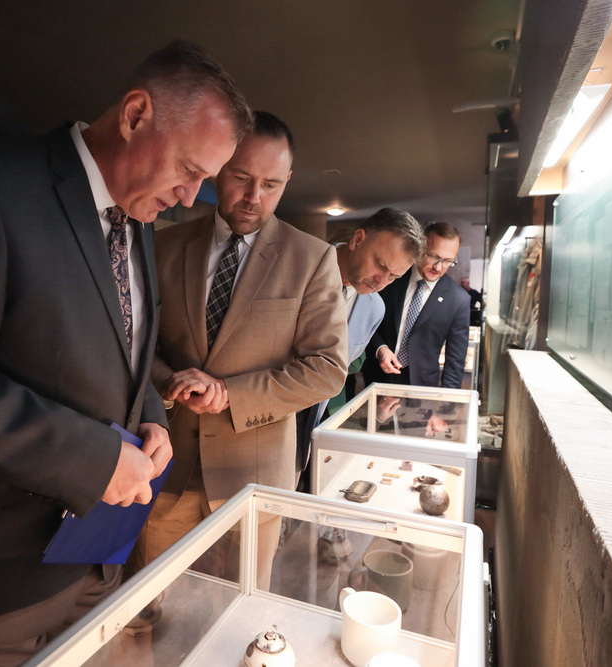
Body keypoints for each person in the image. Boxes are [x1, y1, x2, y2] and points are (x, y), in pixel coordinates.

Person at [0, 40, 252, 665]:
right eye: (190, 169)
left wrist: (150, 410)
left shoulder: (138, 221)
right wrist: (92, 458)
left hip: (93, 563)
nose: (190, 197)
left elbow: (124, 345)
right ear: (135, 114)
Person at [133, 111, 348, 588]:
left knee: (241, 614)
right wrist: (168, 381)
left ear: (288, 181)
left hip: (254, 477)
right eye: (242, 178)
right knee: (143, 605)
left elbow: (327, 370)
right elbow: (135, 342)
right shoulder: (162, 244)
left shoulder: (312, 259)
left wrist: (231, 394)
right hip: (166, 464)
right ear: (219, 166)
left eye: (271, 184)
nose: (254, 197)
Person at [295, 207, 425, 489]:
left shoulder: (374, 307)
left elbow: (338, 374)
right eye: (380, 265)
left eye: (393, 276)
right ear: (357, 240)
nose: (381, 282)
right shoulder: (297, 263)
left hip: (310, 427)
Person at [363, 221, 471, 389]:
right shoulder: (392, 278)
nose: (438, 267)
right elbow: (366, 322)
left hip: (423, 388)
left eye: (448, 261)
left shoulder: (458, 300)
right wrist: (380, 348)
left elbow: (455, 360)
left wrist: (445, 406)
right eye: (433, 256)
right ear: (420, 248)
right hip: (377, 379)